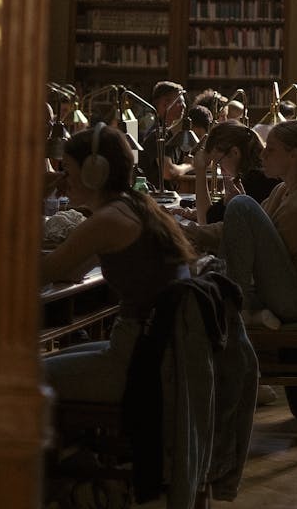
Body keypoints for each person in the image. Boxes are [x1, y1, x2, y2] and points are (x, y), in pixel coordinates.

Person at [41, 125, 197, 402]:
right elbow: (73, 271)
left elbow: (43, 273)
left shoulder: (108, 219)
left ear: (94, 172)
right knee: (40, 362)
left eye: (67, 169)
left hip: (138, 361)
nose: (62, 178)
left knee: (24, 375)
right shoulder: (134, 205)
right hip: (158, 350)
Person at [193, 119, 297, 326]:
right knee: (203, 291)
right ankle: (245, 313)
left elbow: (256, 253)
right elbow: (242, 235)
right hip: (284, 290)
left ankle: (237, 310)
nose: (262, 155)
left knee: (241, 204)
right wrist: (190, 233)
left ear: (294, 155)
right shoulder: (283, 190)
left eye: (271, 150)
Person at [192, 118, 277, 224]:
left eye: (219, 163)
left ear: (235, 152)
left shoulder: (255, 181)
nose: (222, 171)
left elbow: (205, 222)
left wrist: (200, 170)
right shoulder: (259, 175)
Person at [140, 80, 194, 190]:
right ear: (164, 104)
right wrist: (190, 165)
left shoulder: (171, 134)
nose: (183, 106)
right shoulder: (158, 135)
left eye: (183, 102)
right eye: (179, 102)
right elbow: (168, 172)